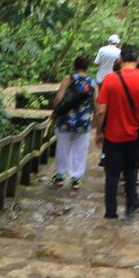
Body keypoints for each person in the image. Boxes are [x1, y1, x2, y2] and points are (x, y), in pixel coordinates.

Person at [94, 42, 139, 219]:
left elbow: (101, 110)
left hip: (112, 137)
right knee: (131, 171)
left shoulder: (110, 79)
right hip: (134, 137)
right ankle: (131, 206)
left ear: (120, 59)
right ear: (137, 60)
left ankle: (110, 212)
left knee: (112, 175)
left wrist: (98, 131)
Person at [52, 55, 96, 190]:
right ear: (87, 67)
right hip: (83, 121)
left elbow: (59, 98)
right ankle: (76, 178)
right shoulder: (92, 82)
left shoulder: (68, 78)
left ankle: (60, 176)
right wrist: (93, 119)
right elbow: (96, 101)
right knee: (80, 149)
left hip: (66, 119)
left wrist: (55, 110)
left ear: (74, 66)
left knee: (62, 147)